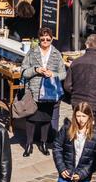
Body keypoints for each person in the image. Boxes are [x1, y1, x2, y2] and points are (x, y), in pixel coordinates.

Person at [20, 27, 66, 157]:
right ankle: (28, 144)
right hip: (33, 91)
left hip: (49, 91)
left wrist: (53, 74)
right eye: (42, 39)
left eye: (48, 39)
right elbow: (23, 71)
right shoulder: (32, 52)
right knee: (30, 117)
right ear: (39, 39)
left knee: (46, 117)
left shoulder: (57, 54)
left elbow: (63, 74)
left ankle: (43, 143)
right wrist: (35, 70)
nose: (45, 41)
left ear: (52, 39)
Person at [66, 34, 96, 128]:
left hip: (77, 104)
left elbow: (67, 86)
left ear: (86, 45)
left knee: (78, 131)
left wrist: (76, 92)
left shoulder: (76, 62)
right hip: (95, 105)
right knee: (93, 135)